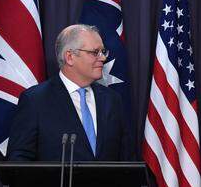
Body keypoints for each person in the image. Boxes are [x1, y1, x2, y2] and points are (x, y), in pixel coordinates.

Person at [7, 24, 134, 161]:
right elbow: (19, 161)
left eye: (103, 51)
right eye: (95, 52)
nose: (103, 58)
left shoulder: (112, 100)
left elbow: (127, 159)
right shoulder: (35, 100)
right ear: (70, 57)